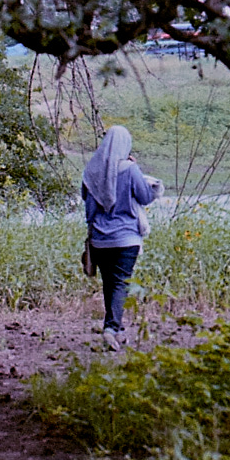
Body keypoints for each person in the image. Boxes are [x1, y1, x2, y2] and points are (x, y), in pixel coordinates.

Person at [81, 125, 164, 350]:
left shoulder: (91, 171)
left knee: (110, 283)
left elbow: (87, 205)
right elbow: (145, 197)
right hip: (127, 239)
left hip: (100, 239)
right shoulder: (130, 169)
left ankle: (116, 330)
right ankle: (110, 329)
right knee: (120, 283)